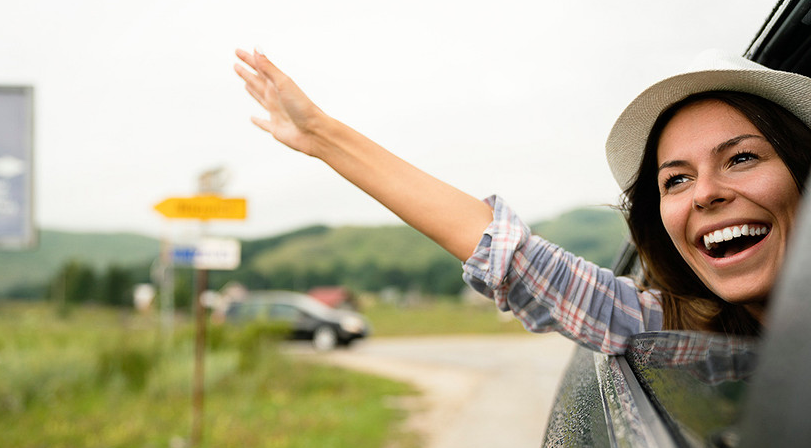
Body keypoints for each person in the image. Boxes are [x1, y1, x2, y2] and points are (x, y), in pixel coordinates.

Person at [233, 48, 811, 355]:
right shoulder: (674, 333)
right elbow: (510, 256)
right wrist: (323, 139)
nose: (706, 193)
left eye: (741, 158)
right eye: (675, 180)